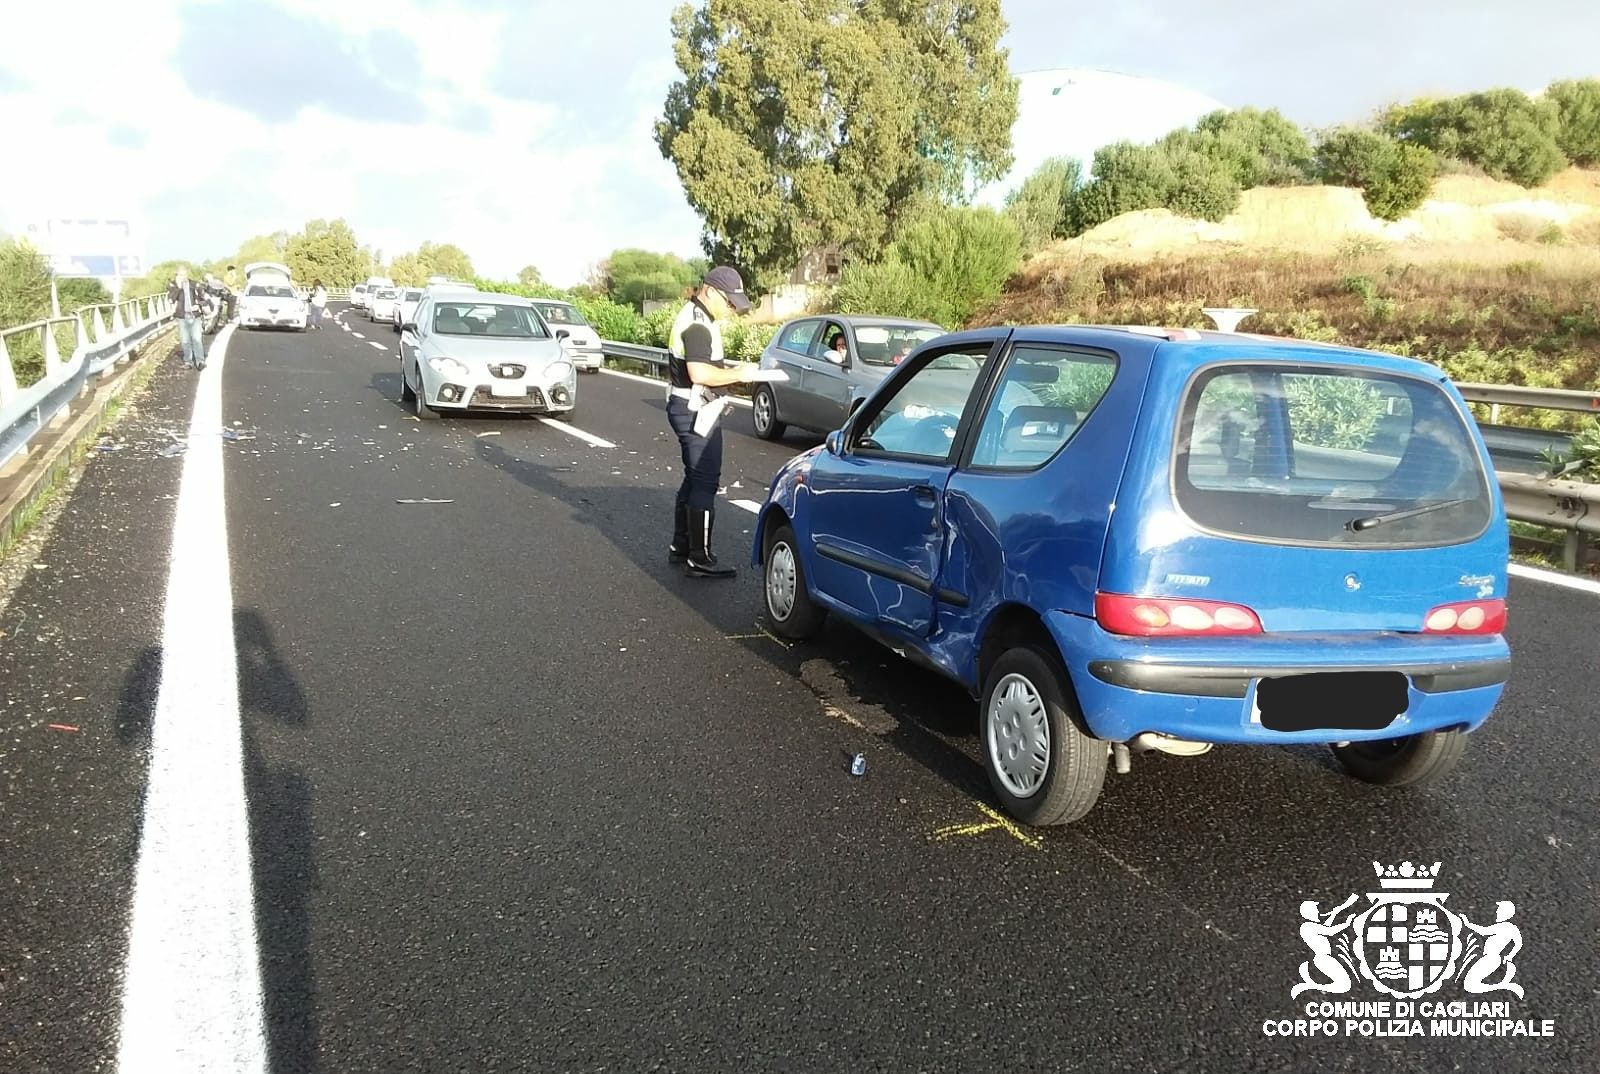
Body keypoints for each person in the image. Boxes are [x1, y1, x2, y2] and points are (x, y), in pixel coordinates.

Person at [666, 265, 759, 578]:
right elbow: (700, 374)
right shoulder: (697, 325)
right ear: (710, 291)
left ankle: (681, 546)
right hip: (695, 409)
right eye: (730, 302)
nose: (732, 310)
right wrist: (739, 375)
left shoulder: (700, 317)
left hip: (690, 406)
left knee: (693, 478)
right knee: (705, 481)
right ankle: (699, 557)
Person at [167, 266, 207, 370]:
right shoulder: (173, 285)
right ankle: (188, 361)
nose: (183, 277)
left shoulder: (194, 284)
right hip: (182, 316)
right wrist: (179, 288)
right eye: (180, 275)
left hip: (195, 315)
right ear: (177, 275)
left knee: (197, 339)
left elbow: (202, 298)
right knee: (185, 340)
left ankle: (200, 361)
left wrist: (199, 305)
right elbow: (171, 299)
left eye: (184, 274)